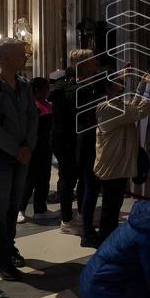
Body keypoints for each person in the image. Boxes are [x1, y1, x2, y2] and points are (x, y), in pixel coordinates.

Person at [0, 38, 38, 281]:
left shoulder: (23, 85)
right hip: (1, 155)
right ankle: (0, 261)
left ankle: (9, 248)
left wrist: (29, 146)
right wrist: (17, 149)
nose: (26, 58)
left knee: (14, 206)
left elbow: (33, 116)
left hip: (22, 153)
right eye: (21, 54)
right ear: (5, 58)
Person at [90, 69, 150, 243]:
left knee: (113, 204)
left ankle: (107, 238)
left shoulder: (111, 103)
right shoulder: (108, 106)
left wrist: (142, 86)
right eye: (117, 79)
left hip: (115, 162)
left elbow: (131, 108)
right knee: (111, 206)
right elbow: (140, 112)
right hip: (113, 164)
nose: (122, 80)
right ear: (108, 85)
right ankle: (106, 241)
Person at [49, 49, 102, 237]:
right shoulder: (69, 88)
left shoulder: (88, 84)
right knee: (68, 179)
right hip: (68, 141)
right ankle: (67, 220)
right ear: (83, 63)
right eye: (92, 59)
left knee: (83, 178)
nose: (96, 61)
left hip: (81, 140)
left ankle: (81, 214)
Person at [19, 78, 58, 223]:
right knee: (29, 180)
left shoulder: (46, 104)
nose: (48, 91)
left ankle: (40, 209)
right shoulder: (31, 105)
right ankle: (20, 208)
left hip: (45, 147)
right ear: (37, 90)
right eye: (45, 88)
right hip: (33, 147)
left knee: (43, 179)